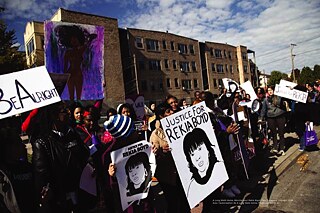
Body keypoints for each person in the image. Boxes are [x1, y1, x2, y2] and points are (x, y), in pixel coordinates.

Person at [32, 102, 89, 212]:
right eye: (64, 111)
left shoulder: (73, 134)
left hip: (80, 192)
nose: (68, 113)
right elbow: (42, 176)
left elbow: (84, 156)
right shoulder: (42, 143)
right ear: (54, 116)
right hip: (60, 200)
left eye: (68, 110)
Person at [149, 102, 190, 213]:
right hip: (167, 175)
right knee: (173, 202)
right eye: (168, 111)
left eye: (171, 110)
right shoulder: (155, 134)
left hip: (182, 172)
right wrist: (161, 151)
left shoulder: (180, 126)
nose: (172, 112)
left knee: (185, 200)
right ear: (161, 116)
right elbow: (153, 156)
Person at [54, 25, 97, 100]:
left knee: (78, 96)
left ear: (79, 40)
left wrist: (91, 38)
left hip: (78, 74)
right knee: (71, 96)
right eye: (72, 39)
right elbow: (64, 68)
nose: (74, 40)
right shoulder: (68, 52)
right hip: (71, 74)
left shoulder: (80, 50)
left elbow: (87, 44)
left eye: (75, 39)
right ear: (69, 41)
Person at [183, 128, 219, 196]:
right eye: (192, 154)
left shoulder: (219, 168)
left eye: (200, 149)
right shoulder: (192, 187)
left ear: (208, 148)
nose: (197, 158)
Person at [259, 86, 287, 156]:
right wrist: (261, 118)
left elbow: (281, 103)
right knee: (273, 133)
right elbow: (263, 109)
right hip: (270, 117)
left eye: (271, 90)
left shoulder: (278, 97)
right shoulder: (266, 100)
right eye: (268, 90)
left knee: (281, 133)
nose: (270, 91)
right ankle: (275, 147)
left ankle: (282, 148)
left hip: (280, 116)